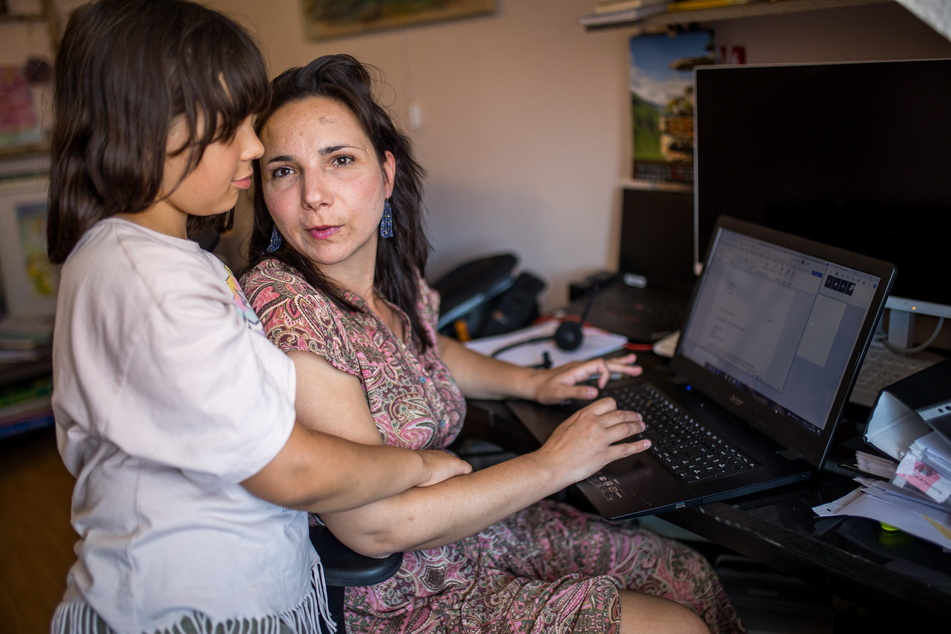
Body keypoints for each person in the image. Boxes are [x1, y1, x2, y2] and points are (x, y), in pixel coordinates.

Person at [239, 54, 745, 634]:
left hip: (480, 533)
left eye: (340, 161)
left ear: (387, 174)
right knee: (674, 626)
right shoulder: (288, 303)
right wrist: (554, 463)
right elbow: (371, 527)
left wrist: (533, 381)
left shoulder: (384, 276)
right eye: (285, 171)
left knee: (687, 575)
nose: (314, 196)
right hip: (409, 595)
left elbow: (432, 349)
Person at [46, 3, 473, 633]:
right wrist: (419, 465)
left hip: (249, 594)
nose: (253, 146)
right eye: (231, 128)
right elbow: (291, 470)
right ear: (145, 126)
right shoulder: (150, 280)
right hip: (185, 613)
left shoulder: (172, 262)